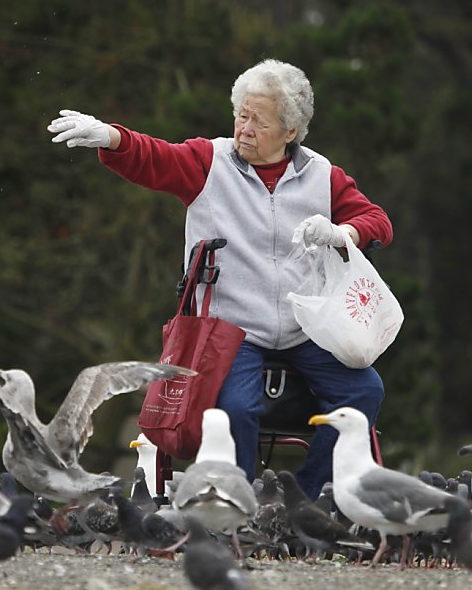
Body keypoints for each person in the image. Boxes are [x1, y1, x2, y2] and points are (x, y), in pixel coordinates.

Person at [47, 59, 391, 500]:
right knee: (235, 410)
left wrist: (344, 232)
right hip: (233, 329)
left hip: (308, 330)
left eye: (258, 121)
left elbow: (377, 220)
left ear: (291, 131)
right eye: (241, 115)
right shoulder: (209, 161)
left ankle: (304, 504)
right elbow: (155, 157)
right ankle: (239, 506)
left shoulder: (323, 176)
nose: (244, 128)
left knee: (365, 393)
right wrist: (112, 137)